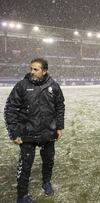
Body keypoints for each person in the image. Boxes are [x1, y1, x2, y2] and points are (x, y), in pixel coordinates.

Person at [4, 58, 65, 203]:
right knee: (25, 165)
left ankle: (46, 183)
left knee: (48, 161)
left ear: (44, 71)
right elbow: (10, 109)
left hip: (47, 132)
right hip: (27, 133)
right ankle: (22, 195)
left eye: (36, 69)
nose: (32, 71)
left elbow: (60, 106)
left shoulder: (53, 86)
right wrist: (14, 132)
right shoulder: (22, 86)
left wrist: (59, 126)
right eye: (31, 68)